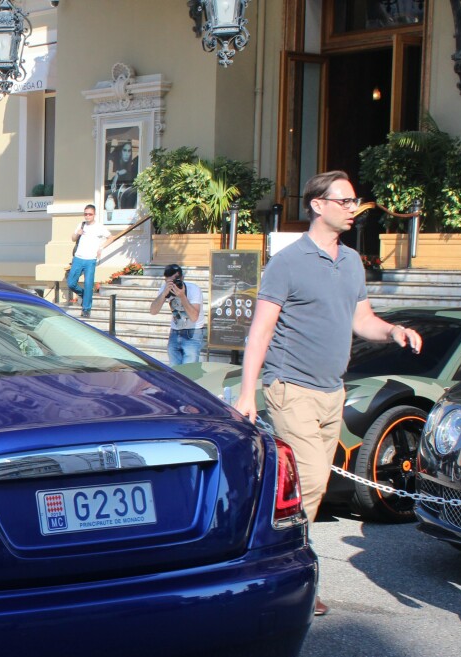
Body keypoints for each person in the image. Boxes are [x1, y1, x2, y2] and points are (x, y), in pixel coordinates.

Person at [235, 170, 423, 617]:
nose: (352, 208)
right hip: (290, 388)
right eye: (344, 201)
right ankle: (292, 577)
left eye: (354, 201)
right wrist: (247, 393)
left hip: (331, 391)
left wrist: (394, 330)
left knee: (308, 490)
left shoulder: (352, 261)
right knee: (314, 480)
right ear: (317, 205)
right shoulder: (288, 263)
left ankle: (276, 568)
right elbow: (260, 331)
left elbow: (363, 320)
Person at [149, 263, 207, 365]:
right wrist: (163, 294)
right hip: (175, 332)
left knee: (189, 372)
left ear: (182, 278)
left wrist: (182, 296)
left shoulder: (193, 289)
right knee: (174, 371)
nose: (173, 285)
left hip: (193, 332)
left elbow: (194, 317)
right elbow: (153, 311)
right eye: (170, 281)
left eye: (176, 280)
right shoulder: (165, 288)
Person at [66, 204, 115, 318]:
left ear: (94, 215)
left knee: (88, 284)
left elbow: (111, 237)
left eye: (90, 214)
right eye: (85, 214)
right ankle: (84, 295)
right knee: (71, 283)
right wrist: (76, 234)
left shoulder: (99, 227)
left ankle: (86, 309)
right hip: (78, 258)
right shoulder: (81, 225)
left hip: (90, 259)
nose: (87, 216)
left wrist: (101, 248)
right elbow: (73, 238)